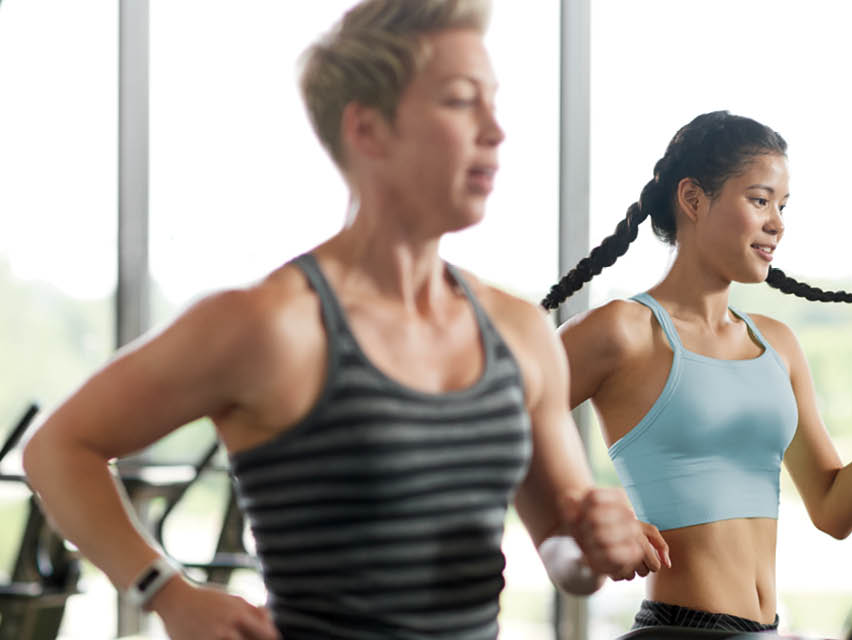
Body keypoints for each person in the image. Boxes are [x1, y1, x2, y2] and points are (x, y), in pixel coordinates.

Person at [22, 1, 666, 638]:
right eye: (461, 100)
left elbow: (563, 551)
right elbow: (56, 449)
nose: (495, 130)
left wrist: (592, 548)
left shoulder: (520, 333)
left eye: (493, 101)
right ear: (368, 130)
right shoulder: (271, 325)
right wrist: (166, 593)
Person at [543, 111, 852, 632]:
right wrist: (591, 509)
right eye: (759, 199)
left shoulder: (776, 344)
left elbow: (832, 511)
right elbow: (487, 428)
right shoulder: (623, 331)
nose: (777, 221)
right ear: (693, 200)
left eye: (782, 205)